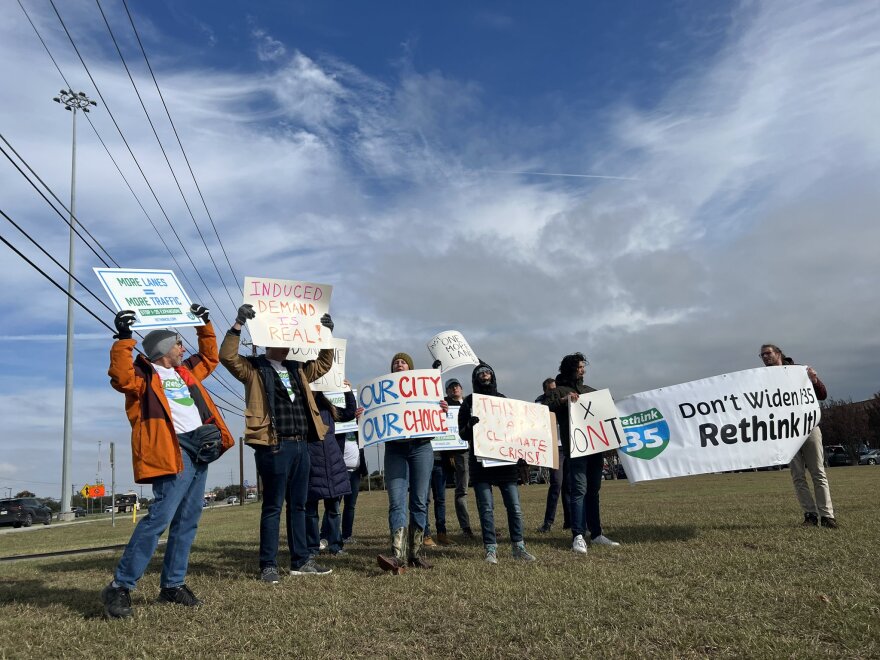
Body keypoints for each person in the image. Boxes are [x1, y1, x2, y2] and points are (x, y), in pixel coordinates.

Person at [101, 304, 235, 619]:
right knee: (159, 519)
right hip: (173, 450)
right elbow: (120, 378)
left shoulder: (185, 370)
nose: (182, 347)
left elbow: (210, 357)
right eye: (177, 342)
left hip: (200, 447)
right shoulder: (142, 377)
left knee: (188, 520)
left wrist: (205, 323)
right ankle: (120, 586)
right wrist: (123, 338)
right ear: (163, 350)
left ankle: (172, 585)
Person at [220, 304, 336, 583]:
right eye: (279, 339)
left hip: (301, 445)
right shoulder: (253, 368)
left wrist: (327, 334)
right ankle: (268, 565)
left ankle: (301, 561)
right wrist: (238, 324)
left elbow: (324, 364)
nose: (285, 345)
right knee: (272, 506)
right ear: (265, 340)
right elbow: (226, 356)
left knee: (298, 505)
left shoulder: (298, 369)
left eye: (288, 340)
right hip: (273, 445)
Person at [376, 353, 449, 574]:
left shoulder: (425, 391)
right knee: (397, 502)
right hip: (395, 449)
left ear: (411, 368)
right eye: (395, 362)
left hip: (421, 447)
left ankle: (415, 554)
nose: (399, 363)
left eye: (403, 361)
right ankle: (397, 556)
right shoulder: (382, 394)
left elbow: (434, 416)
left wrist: (441, 409)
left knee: (419, 501)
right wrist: (365, 413)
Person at [458, 361, 537, 564]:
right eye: (480, 372)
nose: (484, 374)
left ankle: (518, 547)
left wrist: (521, 453)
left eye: (488, 372)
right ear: (475, 379)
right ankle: (490, 549)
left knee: (515, 507)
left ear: (493, 376)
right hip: (480, 461)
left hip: (505, 461)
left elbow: (516, 429)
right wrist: (470, 425)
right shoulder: (469, 402)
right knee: (486, 508)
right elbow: (462, 434)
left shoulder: (504, 401)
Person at [545, 353, 619, 554]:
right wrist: (564, 400)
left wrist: (607, 402)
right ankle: (578, 535)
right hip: (576, 449)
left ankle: (596, 534)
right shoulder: (558, 390)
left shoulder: (589, 390)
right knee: (578, 490)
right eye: (580, 367)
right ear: (571, 368)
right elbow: (546, 408)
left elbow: (606, 408)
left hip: (595, 448)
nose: (583, 370)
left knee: (593, 491)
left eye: (583, 367)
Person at [760, 344, 837, 528]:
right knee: (798, 476)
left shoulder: (799, 371)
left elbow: (822, 394)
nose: (765, 357)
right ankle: (810, 515)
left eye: (768, 353)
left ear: (778, 353)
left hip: (809, 427)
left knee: (818, 472)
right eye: (762, 355)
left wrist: (814, 380)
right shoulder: (763, 379)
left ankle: (827, 516)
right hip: (786, 431)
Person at [307, 386, 356, 557]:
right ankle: (312, 548)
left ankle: (336, 546)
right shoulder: (300, 407)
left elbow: (350, 413)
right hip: (311, 464)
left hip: (332, 464)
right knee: (311, 511)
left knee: (334, 509)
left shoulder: (329, 407)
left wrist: (347, 391)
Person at [535, 378, 571, 533]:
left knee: (569, 486)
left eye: (555, 389)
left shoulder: (563, 400)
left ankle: (569, 521)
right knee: (556, 483)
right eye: (551, 390)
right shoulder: (540, 402)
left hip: (567, 444)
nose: (554, 392)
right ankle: (548, 522)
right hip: (553, 446)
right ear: (545, 391)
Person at [336, 431, 368, 545]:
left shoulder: (358, 430)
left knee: (350, 506)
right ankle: (328, 536)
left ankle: (346, 535)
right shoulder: (338, 429)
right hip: (340, 471)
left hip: (355, 472)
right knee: (335, 506)